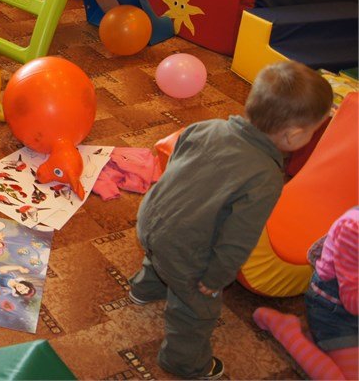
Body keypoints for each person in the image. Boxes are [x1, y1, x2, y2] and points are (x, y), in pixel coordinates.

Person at [128, 60, 333, 380]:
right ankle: (183, 362)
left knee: (160, 253)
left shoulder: (206, 126)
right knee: (197, 308)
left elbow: (177, 166)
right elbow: (238, 239)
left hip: (150, 218)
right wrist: (215, 279)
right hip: (183, 249)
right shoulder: (265, 177)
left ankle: (144, 289)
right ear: (294, 135)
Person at [253, 207, 357, 380]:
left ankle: (320, 343)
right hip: (333, 313)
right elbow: (351, 301)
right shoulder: (353, 229)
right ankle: (287, 330)